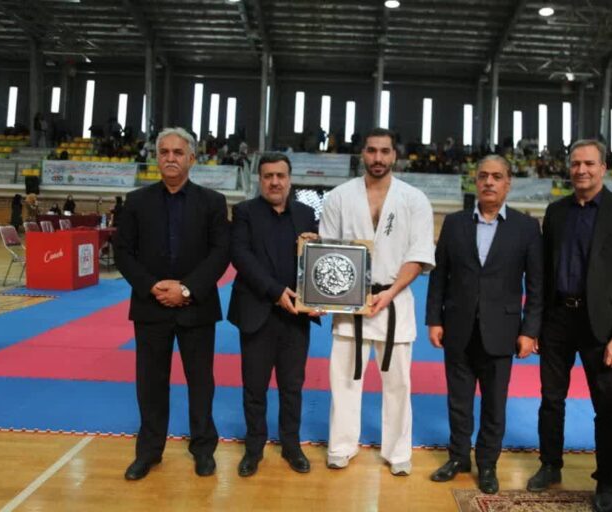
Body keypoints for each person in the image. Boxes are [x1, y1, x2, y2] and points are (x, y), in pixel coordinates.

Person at [527, 139, 612, 512]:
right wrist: (537, 324)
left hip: (603, 325)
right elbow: (543, 274)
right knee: (551, 399)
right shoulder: (556, 212)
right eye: (576, 163)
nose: (581, 170)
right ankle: (550, 464)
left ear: (603, 168)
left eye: (589, 163)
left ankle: (607, 479)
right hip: (557, 319)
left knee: (606, 405)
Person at [114, 127, 230, 481]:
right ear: (156, 158)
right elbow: (123, 252)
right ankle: (149, 452)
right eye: (164, 152)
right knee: (150, 384)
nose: (170, 158)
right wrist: (152, 286)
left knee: (201, 382)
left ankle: (203, 449)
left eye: (178, 153)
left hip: (197, 306)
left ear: (191, 159)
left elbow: (220, 253)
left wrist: (187, 289)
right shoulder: (136, 201)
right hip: (151, 306)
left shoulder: (212, 202)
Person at [318, 127, 435, 476]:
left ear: (394, 155)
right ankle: (341, 446)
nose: (378, 158)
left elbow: (419, 254)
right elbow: (328, 251)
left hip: (394, 300)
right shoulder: (339, 197)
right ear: (362, 154)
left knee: (398, 383)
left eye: (385, 151)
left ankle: (398, 452)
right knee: (344, 379)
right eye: (372, 150)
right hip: (349, 302)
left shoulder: (414, 199)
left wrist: (390, 292)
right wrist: (327, 292)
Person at [426, 155, 542, 494]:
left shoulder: (526, 227)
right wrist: (434, 319)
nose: (489, 182)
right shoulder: (454, 223)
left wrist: (530, 331)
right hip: (457, 327)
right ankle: (458, 457)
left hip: (502, 330)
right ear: (475, 181)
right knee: (458, 401)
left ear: (508, 183)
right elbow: (440, 276)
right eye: (483, 176)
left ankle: (488, 464)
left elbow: (536, 286)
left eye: (497, 176)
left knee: (494, 404)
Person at [228, 153, 319, 477]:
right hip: (257, 311)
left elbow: (316, 260)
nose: (275, 182)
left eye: (280, 176)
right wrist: (275, 291)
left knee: (292, 386)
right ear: (260, 180)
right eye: (268, 176)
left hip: (296, 315)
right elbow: (241, 256)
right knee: (254, 387)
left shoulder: (306, 214)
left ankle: (291, 445)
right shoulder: (244, 212)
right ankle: (254, 448)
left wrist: (319, 288)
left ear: (289, 180)